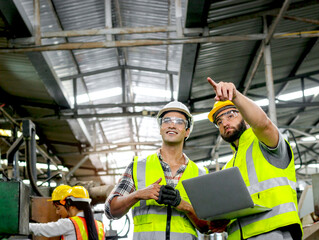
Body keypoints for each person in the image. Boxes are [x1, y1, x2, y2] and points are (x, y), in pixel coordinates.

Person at [206, 77, 303, 240]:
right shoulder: (228, 167)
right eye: (219, 121)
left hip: (273, 233)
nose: (224, 123)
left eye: (230, 115)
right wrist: (223, 220)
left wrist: (235, 96)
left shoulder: (265, 143)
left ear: (244, 116)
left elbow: (263, 124)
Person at [105, 101, 211, 240]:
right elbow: (111, 210)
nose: (172, 125)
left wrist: (183, 205)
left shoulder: (200, 173)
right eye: (167, 120)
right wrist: (137, 195)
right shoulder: (138, 166)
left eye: (179, 122)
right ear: (161, 128)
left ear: (187, 131)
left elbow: (208, 226)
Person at [30, 186, 105, 240]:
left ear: (72, 207)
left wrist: (22, 226)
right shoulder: (99, 226)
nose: (57, 212)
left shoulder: (70, 223)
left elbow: (42, 229)